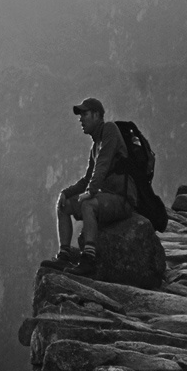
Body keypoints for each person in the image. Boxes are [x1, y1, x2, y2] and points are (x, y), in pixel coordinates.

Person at [40, 97, 137, 277]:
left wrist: (91, 192)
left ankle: (89, 260)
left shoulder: (110, 130)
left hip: (122, 199)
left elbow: (103, 164)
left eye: (85, 114)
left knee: (88, 204)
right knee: (64, 205)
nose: (81, 119)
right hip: (107, 197)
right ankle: (65, 255)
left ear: (97, 115)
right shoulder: (95, 146)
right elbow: (87, 179)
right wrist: (65, 193)